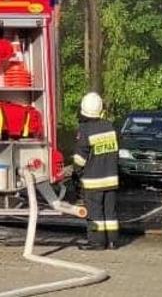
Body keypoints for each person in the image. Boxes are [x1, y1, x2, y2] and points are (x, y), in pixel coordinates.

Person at [70, 91, 121, 250]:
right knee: (110, 212)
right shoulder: (110, 127)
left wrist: (75, 173)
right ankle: (112, 241)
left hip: (93, 181)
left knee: (95, 212)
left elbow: (80, 158)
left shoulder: (85, 130)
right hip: (111, 179)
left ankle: (97, 242)